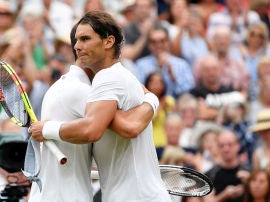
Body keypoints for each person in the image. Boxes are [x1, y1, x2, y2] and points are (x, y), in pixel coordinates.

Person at [30, 10, 171, 201]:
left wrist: (46, 129)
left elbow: (100, 129)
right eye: (77, 40)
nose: (77, 46)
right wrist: (152, 100)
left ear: (108, 42)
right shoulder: (124, 77)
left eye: (86, 38)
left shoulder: (107, 77)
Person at [203, 129, 251, 202]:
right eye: (222, 146)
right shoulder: (209, 175)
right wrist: (224, 195)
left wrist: (249, 184)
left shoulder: (248, 172)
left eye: (230, 145)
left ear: (238, 146)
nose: (226, 149)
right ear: (217, 148)